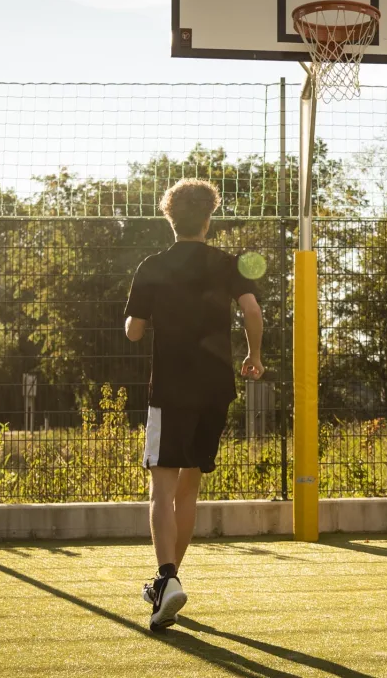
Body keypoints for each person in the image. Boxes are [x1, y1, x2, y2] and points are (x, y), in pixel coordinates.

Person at [124, 178, 264, 630]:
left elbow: (133, 330)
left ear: (170, 217)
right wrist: (254, 355)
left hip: (170, 389)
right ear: (208, 218)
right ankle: (170, 581)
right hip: (215, 389)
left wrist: (136, 320)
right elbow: (253, 312)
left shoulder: (153, 265)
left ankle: (167, 580)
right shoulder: (226, 263)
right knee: (189, 488)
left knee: (160, 489)